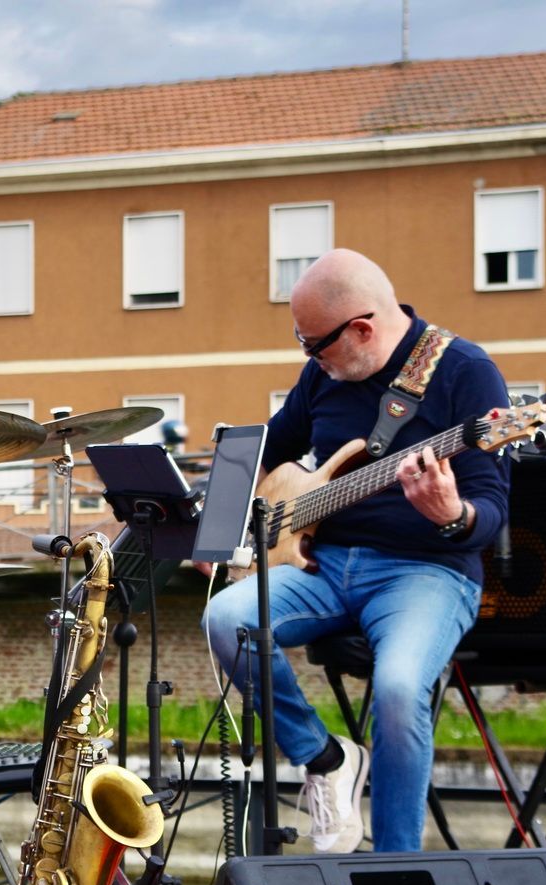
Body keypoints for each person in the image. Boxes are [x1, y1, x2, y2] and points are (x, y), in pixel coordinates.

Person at [203, 249, 510, 854]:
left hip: (427, 572)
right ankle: (326, 759)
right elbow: (267, 448)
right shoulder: (325, 374)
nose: (308, 357)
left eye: (313, 344)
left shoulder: (465, 372)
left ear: (362, 329)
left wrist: (452, 513)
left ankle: (396, 864)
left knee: (397, 690)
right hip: (323, 563)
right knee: (226, 618)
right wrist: (220, 526)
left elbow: (492, 510)